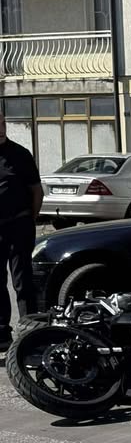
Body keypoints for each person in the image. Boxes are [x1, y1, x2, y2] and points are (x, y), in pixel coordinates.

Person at [0, 113, 42, 353]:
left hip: (18, 225)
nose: (0, 129)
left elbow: (37, 191)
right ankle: (2, 334)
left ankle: (30, 332)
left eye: (2, 124)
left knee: (22, 281)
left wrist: (30, 220)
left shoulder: (20, 155)